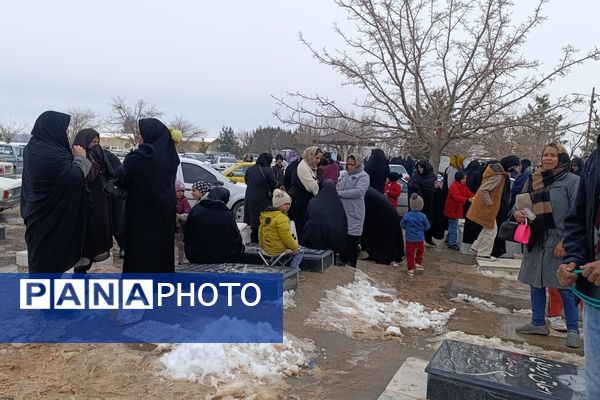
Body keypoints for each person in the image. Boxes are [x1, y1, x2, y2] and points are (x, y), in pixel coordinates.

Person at [512, 143, 580, 348]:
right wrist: (518, 213)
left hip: (560, 240)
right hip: (536, 237)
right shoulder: (534, 179)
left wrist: (566, 241)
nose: (548, 158)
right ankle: (538, 323)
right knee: (536, 283)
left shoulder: (572, 181)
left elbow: (577, 214)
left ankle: (573, 328)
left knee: (564, 285)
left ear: (562, 158)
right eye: (545, 154)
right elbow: (520, 202)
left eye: (553, 155)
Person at [21, 111, 90, 273]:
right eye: (64, 130)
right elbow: (75, 179)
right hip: (49, 221)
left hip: (38, 217)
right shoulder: (50, 154)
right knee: (47, 267)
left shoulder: (33, 148)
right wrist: (81, 158)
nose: (65, 133)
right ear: (53, 129)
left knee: (42, 265)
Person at [558, 136, 600, 399]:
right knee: (595, 381)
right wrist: (572, 259)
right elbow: (578, 218)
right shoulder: (596, 158)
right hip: (595, 297)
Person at [111, 118, 179, 273]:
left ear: (150, 135)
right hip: (164, 216)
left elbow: (121, 179)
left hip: (140, 217)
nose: (137, 136)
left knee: (139, 257)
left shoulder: (138, 159)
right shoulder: (171, 158)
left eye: (140, 133)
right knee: (161, 256)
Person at [72, 128, 114, 273]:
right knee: (84, 243)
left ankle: (84, 272)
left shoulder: (100, 157)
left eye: (98, 142)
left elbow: (111, 174)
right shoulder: (76, 158)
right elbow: (86, 177)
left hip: (100, 207)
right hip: (84, 207)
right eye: (93, 142)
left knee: (96, 239)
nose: (96, 145)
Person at [466, 155, 520, 261]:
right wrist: (490, 203)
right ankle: (483, 253)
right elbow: (483, 190)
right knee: (491, 230)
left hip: (484, 207)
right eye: (514, 166)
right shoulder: (497, 176)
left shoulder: (495, 172)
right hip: (487, 208)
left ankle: (476, 248)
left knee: (488, 228)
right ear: (509, 166)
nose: (515, 169)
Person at [184, 186, 244, 264]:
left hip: (195, 256)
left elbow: (187, 234)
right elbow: (235, 238)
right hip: (223, 257)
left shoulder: (196, 210)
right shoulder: (227, 214)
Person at [337, 153, 370, 267]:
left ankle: (351, 261)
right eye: (348, 164)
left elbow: (359, 191)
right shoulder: (345, 175)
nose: (350, 167)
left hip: (355, 210)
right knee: (343, 235)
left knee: (353, 236)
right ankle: (342, 258)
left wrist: (340, 194)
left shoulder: (363, 176)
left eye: (352, 165)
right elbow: (339, 186)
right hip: (343, 209)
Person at [259, 189, 304, 267]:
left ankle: (272, 263)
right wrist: (295, 248)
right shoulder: (282, 218)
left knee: (280, 246)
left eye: (289, 204)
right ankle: (293, 269)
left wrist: (262, 246)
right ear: (278, 204)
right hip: (277, 250)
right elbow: (286, 237)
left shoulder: (266, 216)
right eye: (285, 204)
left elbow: (260, 233)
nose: (288, 206)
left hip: (266, 249)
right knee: (300, 251)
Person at [362, 187, 405, 265]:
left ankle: (386, 257)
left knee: (385, 238)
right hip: (386, 212)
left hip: (385, 215)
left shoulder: (361, 191)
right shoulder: (365, 189)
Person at [301, 180, 348, 253]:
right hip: (334, 241)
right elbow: (342, 222)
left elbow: (307, 218)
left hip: (313, 239)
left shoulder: (313, 201)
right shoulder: (338, 203)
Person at [288, 146, 322, 240]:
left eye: (319, 158)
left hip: (305, 203)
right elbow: (311, 186)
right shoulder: (303, 167)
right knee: (299, 228)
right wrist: (317, 183)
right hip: (299, 203)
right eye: (316, 158)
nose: (318, 161)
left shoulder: (311, 166)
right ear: (310, 156)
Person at [244, 152, 277, 243]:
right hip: (263, 200)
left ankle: (253, 242)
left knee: (253, 223)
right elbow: (274, 185)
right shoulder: (268, 170)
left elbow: (246, 180)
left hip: (249, 198)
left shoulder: (250, 169)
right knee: (263, 223)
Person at [407, 160, 436, 246]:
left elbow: (432, 188)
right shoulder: (416, 175)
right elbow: (410, 183)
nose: (419, 169)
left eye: (421, 167)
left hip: (428, 203)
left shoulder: (431, 177)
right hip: (417, 203)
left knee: (427, 222)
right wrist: (414, 186)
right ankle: (415, 240)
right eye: (418, 167)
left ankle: (428, 238)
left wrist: (417, 186)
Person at [103, 149, 126, 258]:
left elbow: (118, 174)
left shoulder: (108, 157)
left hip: (115, 195)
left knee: (117, 225)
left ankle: (123, 246)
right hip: (101, 196)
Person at [400, 194, 430, 277]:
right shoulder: (423, 216)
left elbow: (402, 224)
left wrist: (408, 228)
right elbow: (427, 226)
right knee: (420, 251)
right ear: (421, 205)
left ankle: (410, 269)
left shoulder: (407, 215)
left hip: (409, 238)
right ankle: (417, 263)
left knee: (410, 253)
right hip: (419, 238)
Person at [443, 171, 474, 251]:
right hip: (453, 209)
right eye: (463, 179)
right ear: (459, 178)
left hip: (455, 209)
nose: (465, 180)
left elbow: (468, 193)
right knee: (454, 226)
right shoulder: (454, 187)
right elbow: (457, 197)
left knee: (452, 225)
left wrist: (474, 197)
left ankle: (448, 238)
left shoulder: (462, 186)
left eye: (465, 179)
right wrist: (467, 200)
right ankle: (452, 243)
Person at [175, 179, 191, 264]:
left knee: (180, 245)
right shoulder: (170, 200)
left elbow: (188, 211)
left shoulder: (184, 201)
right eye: (178, 191)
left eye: (182, 191)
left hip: (180, 227)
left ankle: (180, 261)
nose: (180, 193)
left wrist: (180, 216)